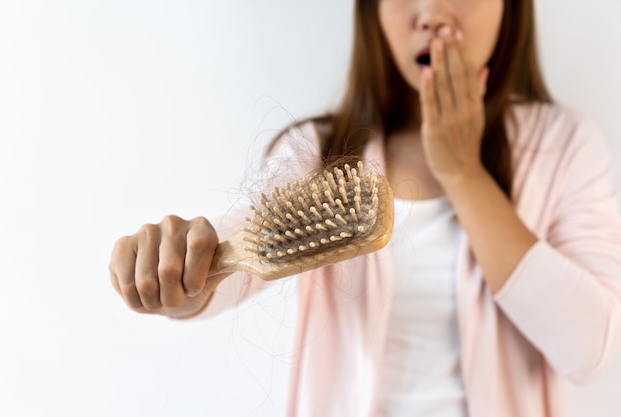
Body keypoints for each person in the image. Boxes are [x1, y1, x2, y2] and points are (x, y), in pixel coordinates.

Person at [109, 0, 621, 416]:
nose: (431, 13)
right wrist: (182, 276)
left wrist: (463, 173)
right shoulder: (316, 152)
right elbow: (238, 249)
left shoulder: (565, 147)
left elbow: (587, 351)